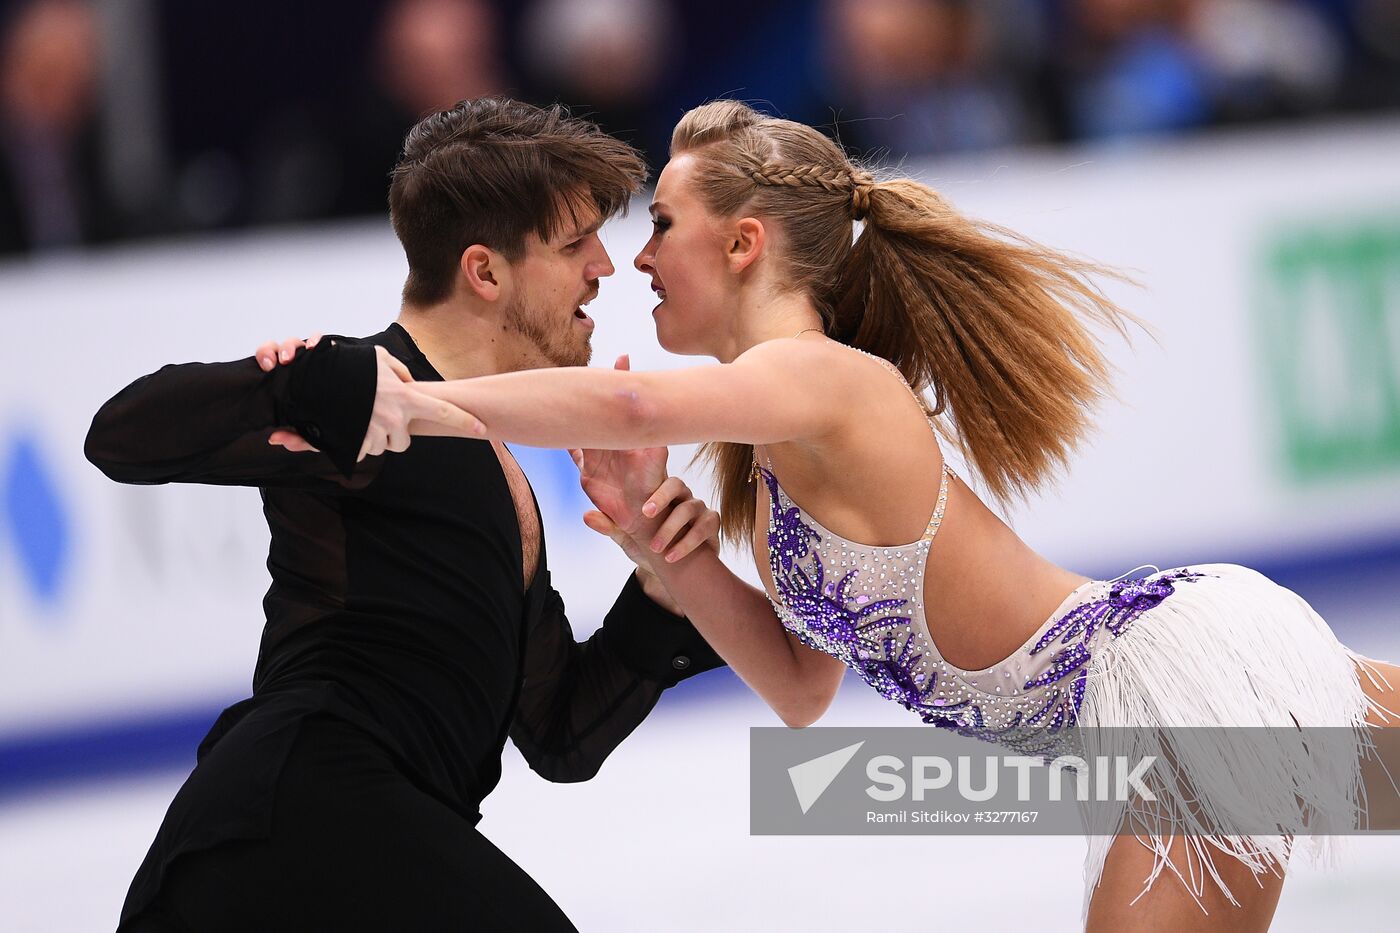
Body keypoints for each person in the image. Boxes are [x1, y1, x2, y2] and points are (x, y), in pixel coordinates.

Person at [274, 99, 1400, 930]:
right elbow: (805, 688)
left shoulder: (825, 380)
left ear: (743, 243)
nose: (634, 260)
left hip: (1171, 698)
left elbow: (622, 397)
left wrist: (404, 398)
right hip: (1145, 704)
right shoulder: (767, 460)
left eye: (659, 223)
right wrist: (647, 536)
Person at [85, 98, 725, 933]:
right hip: (296, 811)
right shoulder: (367, 401)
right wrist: (297, 383)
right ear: (485, 271)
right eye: (575, 244)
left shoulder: (500, 465)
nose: (605, 265)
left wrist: (661, 575)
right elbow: (122, 437)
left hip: (363, 839)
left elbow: (561, 732)